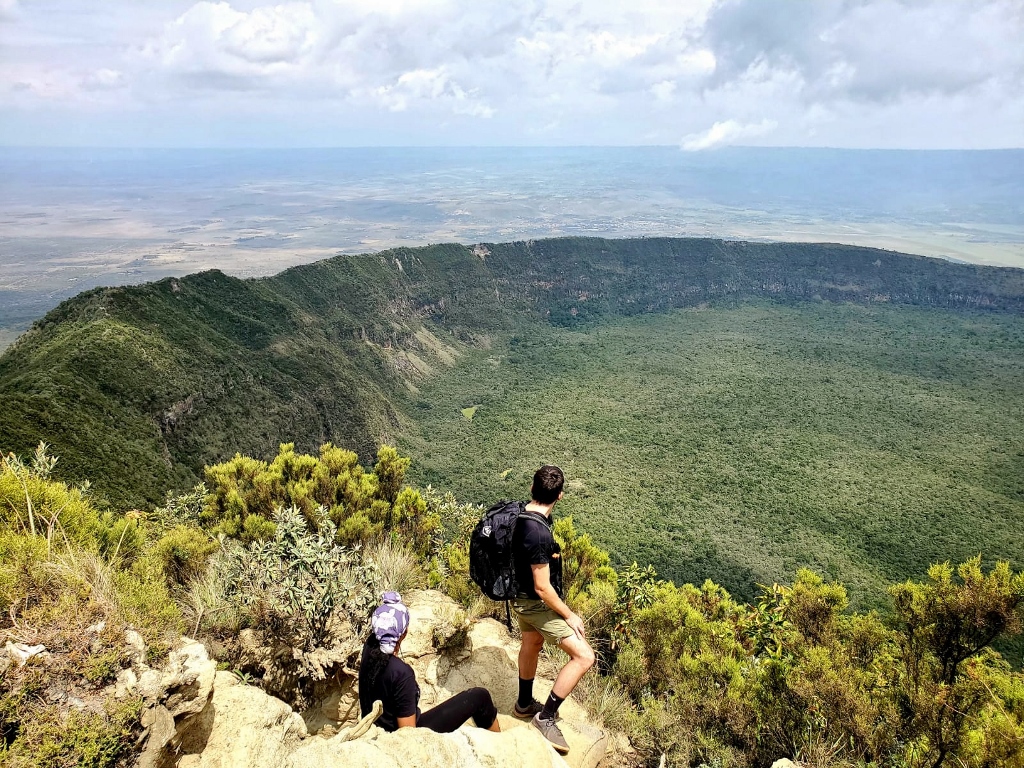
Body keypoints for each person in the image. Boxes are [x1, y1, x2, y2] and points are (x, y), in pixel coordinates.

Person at [512, 465, 596, 755]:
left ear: (533, 489)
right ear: (559, 496)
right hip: (534, 604)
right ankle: (545, 717)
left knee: (532, 642)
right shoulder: (538, 534)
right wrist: (569, 615)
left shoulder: (522, 513)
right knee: (584, 656)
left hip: (519, 599)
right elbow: (543, 587)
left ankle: (523, 704)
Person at [359, 591, 501, 734]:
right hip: (399, 738)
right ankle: (499, 743)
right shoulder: (401, 673)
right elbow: (408, 734)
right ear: (404, 633)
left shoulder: (369, 647)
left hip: (375, 728)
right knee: (479, 697)